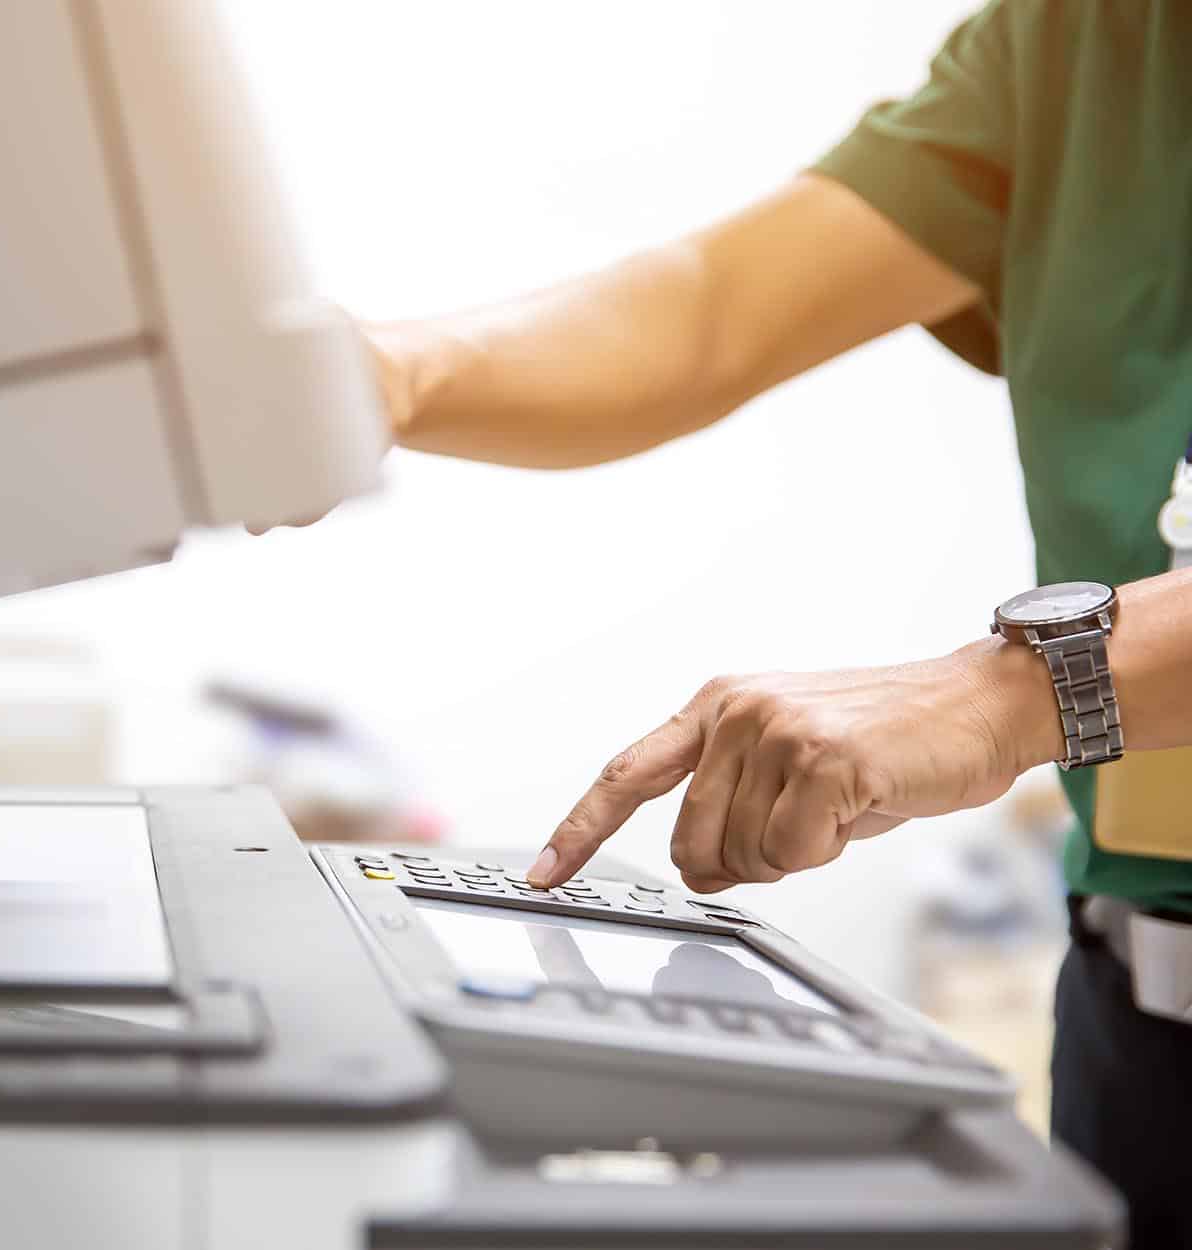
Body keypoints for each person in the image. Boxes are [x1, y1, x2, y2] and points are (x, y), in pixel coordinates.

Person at [360, 2, 1192, 1243]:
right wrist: (359, 375)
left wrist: (1010, 692)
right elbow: (703, 311)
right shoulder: (1080, 36)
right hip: (1139, 1006)